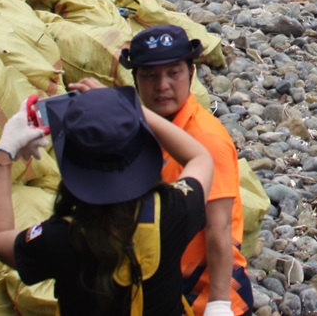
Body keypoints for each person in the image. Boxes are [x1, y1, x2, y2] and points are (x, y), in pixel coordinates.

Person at [0, 86, 215, 316]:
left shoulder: (60, 238)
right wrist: (132, 112)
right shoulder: (172, 211)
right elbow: (199, 157)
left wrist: (4, 154)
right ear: (141, 153)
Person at [71, 25, 252, 316]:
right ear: (136, 80)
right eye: (150, 76)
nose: (162, 86)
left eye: (173, 73)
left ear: (191, 74)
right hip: (160, 273)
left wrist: (219, 304)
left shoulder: (206, 138)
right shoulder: (143, 127)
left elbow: (219, 228)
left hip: (201, 288)